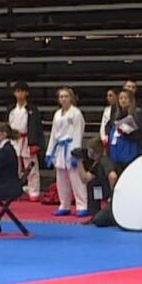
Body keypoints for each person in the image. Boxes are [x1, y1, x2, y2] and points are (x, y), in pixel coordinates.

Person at [46, 87, 87, 217]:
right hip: (59, 148)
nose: (63, 99)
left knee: (76, 178)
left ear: (71, 98)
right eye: (61, 96)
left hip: (70, 146)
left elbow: (78, 133)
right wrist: (49, 152)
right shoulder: (57, 114)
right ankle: (64, 204)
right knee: (61, 179)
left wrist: (76, 152)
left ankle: (82, 205)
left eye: (66, 96)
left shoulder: (76, 113)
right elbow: (53, 134)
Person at [7, 81, 44, 201]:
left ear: (26, 93)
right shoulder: (11, 109)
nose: (19, 94)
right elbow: (8, 125)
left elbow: (37, 127)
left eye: (22, 91)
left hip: (28, 139)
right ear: (14, 93)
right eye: (17, 91)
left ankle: (34, 192)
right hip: (14, 139)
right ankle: (14, 190)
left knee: (31, 167)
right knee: (14, 167)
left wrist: (36, 143)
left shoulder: (32, 109)